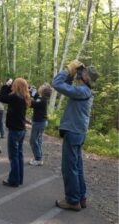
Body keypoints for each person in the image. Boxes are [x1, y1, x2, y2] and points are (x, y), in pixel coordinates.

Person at [52, 60, 99, 211]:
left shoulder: (82, 91)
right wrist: (71, 75)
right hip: (78, 132)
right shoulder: (84, 90)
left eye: (83, 72)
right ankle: (81, 197)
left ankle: (72, 201)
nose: (81, 73)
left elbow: (57, 84)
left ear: (86, 78)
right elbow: (67, 86)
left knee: (69, 167)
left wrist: (67, 70)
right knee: (77, 166)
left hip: (73, 133)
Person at [0, 78, 31, 187]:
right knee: (19, 155)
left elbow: (1, 97)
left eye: (13, 84)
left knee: (13, 156)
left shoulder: (15, 97)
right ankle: (19, 178)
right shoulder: (24, 97)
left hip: (15, 130)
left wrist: (6, 85)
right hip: (21, 130)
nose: (12, 85)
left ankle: (13, 180)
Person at [29, 83, 52, 166]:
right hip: (41, 122)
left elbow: (32, 103)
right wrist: (31, 90)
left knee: (33, 140)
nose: (40, 87)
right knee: (38, 140)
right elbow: (35, 96)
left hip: (39, 123)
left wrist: (26, 95)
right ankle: (38, 157)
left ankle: (38, 159)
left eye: (41, 87)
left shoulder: (41, 100)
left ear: (43, 90)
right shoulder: (42, 98)